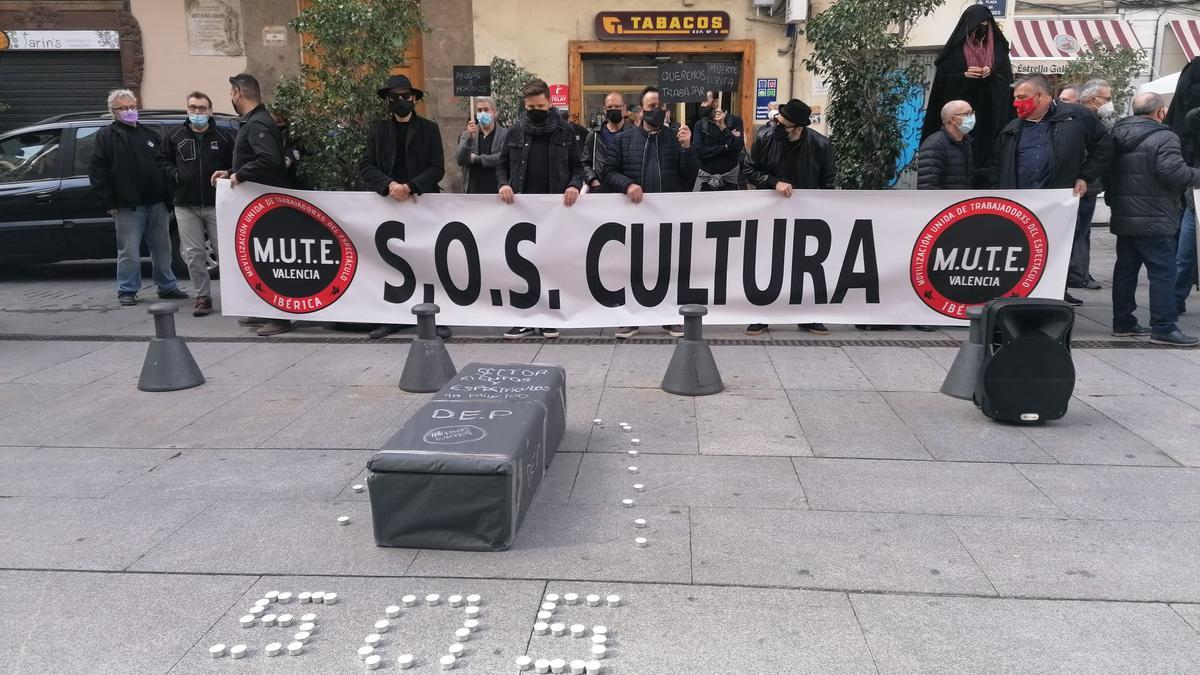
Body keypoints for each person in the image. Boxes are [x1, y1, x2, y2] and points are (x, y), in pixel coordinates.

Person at [989, 74, 1111, 307]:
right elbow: (997, 165)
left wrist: (1085, 176)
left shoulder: (1076, 116)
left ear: (1041, 96)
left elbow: (1104, 147)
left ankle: (1053, 297)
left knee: (1056, 250)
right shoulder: (1013, 127)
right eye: (1015, 98)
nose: (1016, 103)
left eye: (1021, 97)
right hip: (1020, 203)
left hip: (1058, 201)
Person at [602, 85, 698, 339]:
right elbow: (608, 173)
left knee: (668, 267)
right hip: (634, 217)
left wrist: (688, 149)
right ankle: (630, 318)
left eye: (660, 106)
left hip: (667, 217)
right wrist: (628, 184)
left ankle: (669, 317)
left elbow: (690, 179)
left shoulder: (676, 138)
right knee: (633, 267)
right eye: (651, 106)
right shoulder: (624, 140)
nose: (656, 111)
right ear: (641, 109)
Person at [1105, 92, 1200, 346]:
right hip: (1155, 216)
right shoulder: (1164, 136)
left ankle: (1122, 322)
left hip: (1124, 215)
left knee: (1125, 270)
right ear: (1160, 112)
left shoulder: (1117, 133)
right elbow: (1172, 172)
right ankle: (1164, 327)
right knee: (1163, 273)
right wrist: (1196, 175)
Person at [359, 74, 448, 340]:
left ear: (414, 99)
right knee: (391, 263)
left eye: (405, 96)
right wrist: (389, 186)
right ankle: (392, 317)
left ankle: (436, 317)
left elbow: (437, 167)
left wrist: (410, 186)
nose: (401, 101)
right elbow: (366, 165)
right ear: (387, 101)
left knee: (428, 261)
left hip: (421, 203)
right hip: (388, 206)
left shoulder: (429, 129)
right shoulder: (378, 131)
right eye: (395, 97)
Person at [496, 79, 586, 340]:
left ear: (550, 103)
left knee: (549, 263)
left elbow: (577, 167)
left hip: (553, 211)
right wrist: (503, 184)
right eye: (531, 106)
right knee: (520, 263)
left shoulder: (565, 131)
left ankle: (547, 316)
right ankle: (522, 317)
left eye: (541, 105)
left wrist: (573, 185)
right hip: (520, 210)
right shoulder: (514, 132)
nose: (536, 109)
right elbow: (501, 165)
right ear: (525, 105)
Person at [742, 99, 835, 336]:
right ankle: (762, 314)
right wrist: (774, 183)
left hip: (807, 215)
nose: (777, 127)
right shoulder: (765, 138)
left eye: (783, 125)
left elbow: (828, 183)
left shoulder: (821, 145)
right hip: (770, 212)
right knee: (767, 263)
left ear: (798, 128)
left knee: (805, 264)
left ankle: (807, 315)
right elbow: (750, 170)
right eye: (776, 121)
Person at [211, 73, 293, 336]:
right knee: (263, 259)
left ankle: (279, 317)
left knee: (273, 261)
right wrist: (230, 172)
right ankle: (264, 310)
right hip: (261, 203)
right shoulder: (255, 121)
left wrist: (241, 175)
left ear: (238, 93)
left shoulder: (258, 123)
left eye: (231, 93)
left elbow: (270, 160)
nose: (231, 98)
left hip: (268, 204)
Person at [89, 88, 184, 307]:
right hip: (127, 205)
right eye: (124, 108)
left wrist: (169, 197)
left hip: (157, 202)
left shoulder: (151, 135)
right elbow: (97, 171)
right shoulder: (106, 137)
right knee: (129, 250)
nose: (130, 111)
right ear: (114, 112)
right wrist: (107, 201)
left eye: (132, 107)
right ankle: (127, 289)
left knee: (162, 248)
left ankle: (167, 287)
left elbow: (164, 165)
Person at [162, 90, 234, 317]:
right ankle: (202, 297)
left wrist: (229, 173)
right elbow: (162, 161)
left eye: (202, 108)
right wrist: (175, 175)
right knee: (194, 254)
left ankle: (234, 296)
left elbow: (236, 163)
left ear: (210, 110)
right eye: (193, 108)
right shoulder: (175, 135)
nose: (197, 112)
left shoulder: (223, 137)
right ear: (187, 109)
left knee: (225, 252)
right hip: (185, 204)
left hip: (216, 204)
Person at [921, 5, 1013, 180]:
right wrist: (963, 76)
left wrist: (991, 76)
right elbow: (942, 85)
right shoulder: (954, 52)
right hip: (957, 122)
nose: (982, 29)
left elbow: (1007, 86)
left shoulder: (999, 51)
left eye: (986, 25)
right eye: (978, 25)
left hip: (989, 124)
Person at [1067, 79, 1115, 292]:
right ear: (1092, 99)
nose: (1109, 103)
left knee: (1082, 234)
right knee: (1076, 235)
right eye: (1107, 98)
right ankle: (1077, 275)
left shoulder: (1095, 119)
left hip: (1089, 186)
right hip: (1082, 187)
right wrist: (1085, 176)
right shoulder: (1082, 119)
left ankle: (1081, 273)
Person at [691, 90, 745, 191]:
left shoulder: (735, 121)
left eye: (705, 101)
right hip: (706, 183)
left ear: (716, 102)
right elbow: (699, 152)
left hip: (729, 182)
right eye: (701, 102)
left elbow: (737, 147)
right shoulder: (699, 124)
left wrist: (723, 127)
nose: (702, 105)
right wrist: (725, 147)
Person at [917, 100, 974, 190]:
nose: (972, 117)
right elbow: (927, 184)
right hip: (944, 203)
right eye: (967, 114)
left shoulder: (965, 142)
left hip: (962, 203)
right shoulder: (934, 145)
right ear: (952, 120)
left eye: (972, 113)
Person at [455, 97, 507, 194]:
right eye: (479, 110)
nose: (482, 113)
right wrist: (469, 139)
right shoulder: (467, 134)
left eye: (486, 110)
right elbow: (460, 160)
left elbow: (503, 158)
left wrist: (476, 159)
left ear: (494, 112)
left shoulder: (505, 134)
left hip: (497, 192)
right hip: (473, 192)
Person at [581, 91, 629, 192]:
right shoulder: (594, 135)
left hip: (626, 191)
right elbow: (584, 163)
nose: (613, 109)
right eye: (610, 107)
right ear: (604, 110)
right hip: (600, 191)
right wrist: (593, 180)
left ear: (624, 108)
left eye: (617, 106)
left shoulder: (633, 134)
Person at [1177, 107, 1200, 316]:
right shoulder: (1195, 121)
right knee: (1184, 256)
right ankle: (1176, 299)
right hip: (1196, 201)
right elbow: (1192, 118)